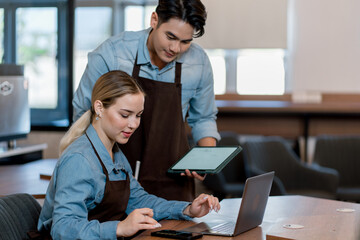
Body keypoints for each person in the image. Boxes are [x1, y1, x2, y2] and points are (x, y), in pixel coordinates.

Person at [37, 71, 220, 239]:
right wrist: (119, 228)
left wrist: (188, 209)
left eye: (138, 115)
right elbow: (63, 228)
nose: (133, 124)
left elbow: (139, 200)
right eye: (125, 115)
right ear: (99, 108)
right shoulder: (79, 159)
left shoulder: (115, 153)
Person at [72, 0, 220, 201]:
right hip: (113, 177)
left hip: (172, 183)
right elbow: (83, 113)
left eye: (185, 42)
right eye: (170, 37)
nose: (175, 48)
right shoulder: (113, 54)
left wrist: (206, 159)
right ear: (154, 20)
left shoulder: (198, 62)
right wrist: (101, 167)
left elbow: (203, 118)